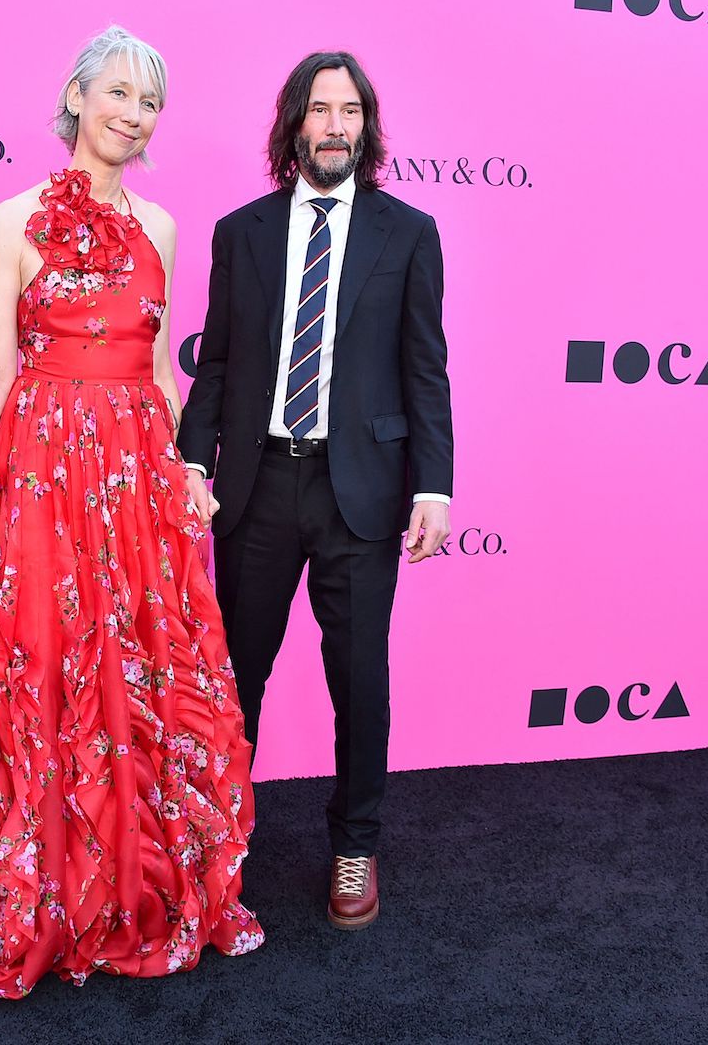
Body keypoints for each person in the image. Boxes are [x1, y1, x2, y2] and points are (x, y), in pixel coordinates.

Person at [0, 25, 261, 1003]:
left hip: (134, 473)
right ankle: (35, 895)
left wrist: (186, 468)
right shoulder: (11, 221)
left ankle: (130, 889)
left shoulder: (163, 228)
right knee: (42, 668)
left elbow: (164, 368)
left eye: (150, 103)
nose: (133, 114)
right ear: (78, 97)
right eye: (119, 94)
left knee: (138, 670)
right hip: (40, 469)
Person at [177, 51, 453, 931]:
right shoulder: (241, 232)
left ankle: (355, 845)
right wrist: (192, 462)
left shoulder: (408, 233)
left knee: (358, 678)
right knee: (235, 678)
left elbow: (425, 370)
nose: (336, 126)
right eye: (321, 109)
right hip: (258, 487)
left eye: (351, 112)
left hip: (361, 494)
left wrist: (435, 487)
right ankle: (220, 841)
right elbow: (214, 361)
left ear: (366, 128)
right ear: (294, 122)